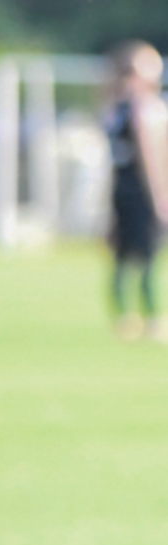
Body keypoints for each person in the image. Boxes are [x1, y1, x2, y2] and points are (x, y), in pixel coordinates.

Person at [103, 41, 168, 339]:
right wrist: (161, 197)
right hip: (141, 193)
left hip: (121, 191)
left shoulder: (114, 107)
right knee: (147, 256)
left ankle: (126, 319)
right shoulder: (145, 108)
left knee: (125, 257)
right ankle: (151, 318)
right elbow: (151, 158)